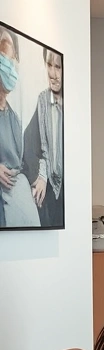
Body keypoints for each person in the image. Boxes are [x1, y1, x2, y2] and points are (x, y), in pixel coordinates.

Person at [0, 27, 39, 228]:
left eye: (12, 57)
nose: (10, 63)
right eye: (5, 50)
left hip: (16, 201)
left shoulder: (14, 118)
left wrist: (40, 177)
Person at [23, 48, 62, 227]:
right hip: (49, 191)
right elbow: (30, 142)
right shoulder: (43, 101)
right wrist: (41, 176)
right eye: (49, 65)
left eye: (58, 67)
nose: (53, 74)